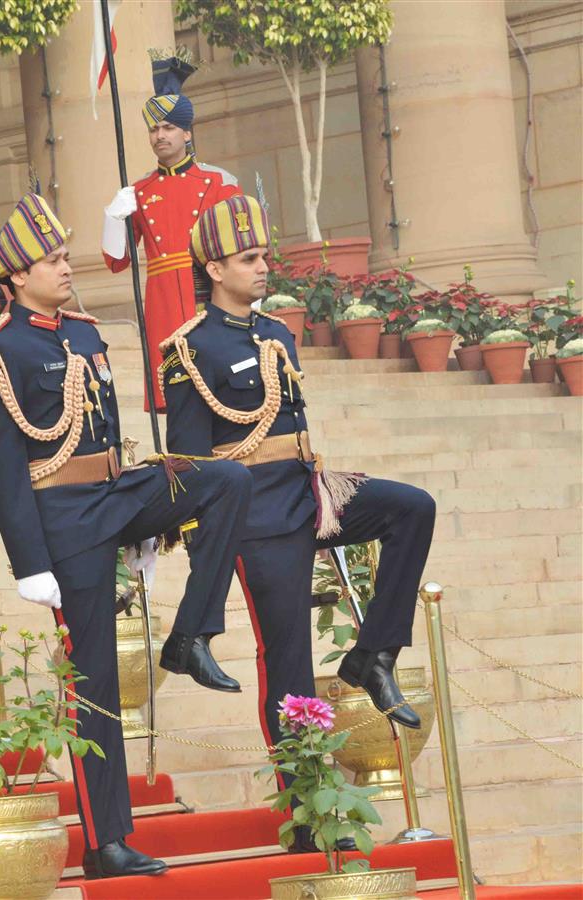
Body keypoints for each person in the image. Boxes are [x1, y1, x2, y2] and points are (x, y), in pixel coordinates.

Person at [0, 192, 253, 879]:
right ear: (14, 278)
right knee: (92, 680)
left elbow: (112, 433)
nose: (66, 268)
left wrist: (143, 533)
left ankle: (191, 634)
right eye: (52, 260)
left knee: (224, 480)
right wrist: (28, 562)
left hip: (114, 494)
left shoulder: (88, 333)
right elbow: (2, 469)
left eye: (66, 256)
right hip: (62, 518)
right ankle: (106, 843)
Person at [162, 194, 433, 846]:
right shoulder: (190, 350)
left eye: (262, 257)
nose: (262, 268)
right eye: (249, 259)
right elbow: (194, 465)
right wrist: (211, 555)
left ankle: (373, 653)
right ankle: (306, 811)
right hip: (256, 516)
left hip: (311, 493)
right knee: (286, 659)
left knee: (412, 508)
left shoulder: (276, 333)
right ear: (215, 268)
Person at [100, 52, 242, 411]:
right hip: (162, 302)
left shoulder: (217, 182)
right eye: (154, 129)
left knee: (222, 390)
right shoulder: (139, 191)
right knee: (176, 397)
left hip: (207, 297)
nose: (160, 136)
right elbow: (117, 261)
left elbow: (241, 249)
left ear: (186, 132)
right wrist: (113, 218)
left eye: (168, 128)